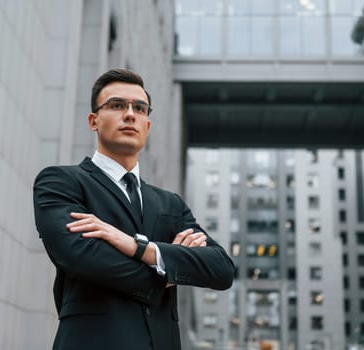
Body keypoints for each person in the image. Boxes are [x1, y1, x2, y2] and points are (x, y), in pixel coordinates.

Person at [33, 68, 235, 350]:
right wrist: (169, 268)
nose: (130, 114)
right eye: (116, 105)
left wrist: (140, 248)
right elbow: (83, 257)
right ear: (93, 121)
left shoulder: (170, 204)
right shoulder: (61, 182)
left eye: (139, 108)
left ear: (147, 126)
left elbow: (221, 269)